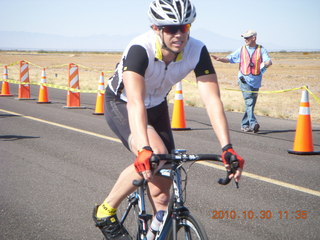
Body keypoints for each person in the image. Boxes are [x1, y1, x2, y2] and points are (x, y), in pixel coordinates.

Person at [92, 0, 245, 239]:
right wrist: (143, 149)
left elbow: (212, 101)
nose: (178, 34)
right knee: (155, 154)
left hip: (157, 105)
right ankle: (105, 211)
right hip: (121, 103)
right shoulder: (139, 49)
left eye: (183, 27)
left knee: (163, 194)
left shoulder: (197, 50)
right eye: (170, 28)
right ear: (156, 28)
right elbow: (135, 102)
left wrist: (227, 147)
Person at [211, 30, 272, 133]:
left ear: (254, 38)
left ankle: (244, 125)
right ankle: (253, 124)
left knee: (251, 104)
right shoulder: (241, 49)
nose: (245, 40)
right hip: (243, 79)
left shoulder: (261, 50)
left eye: (247, 37)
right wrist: (220, 59)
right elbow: (230, 58)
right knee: (249, 101)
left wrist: (267, 64)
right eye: (244, 38)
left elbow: (268, 61)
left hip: (256, 80)